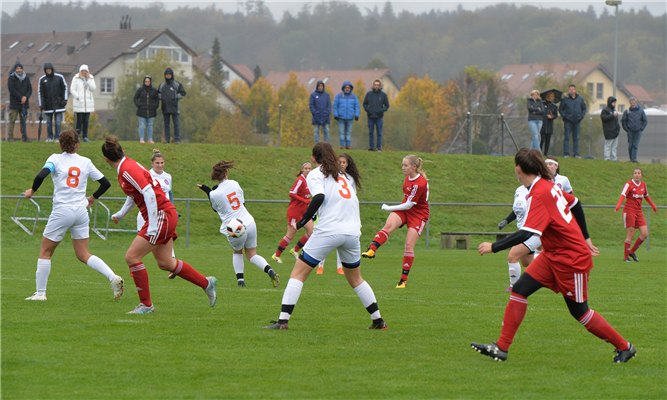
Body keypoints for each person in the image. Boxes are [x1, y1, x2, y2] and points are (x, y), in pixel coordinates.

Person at [472, 148, 636, 364]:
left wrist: (494, 246)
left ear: (518, 170)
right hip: (553, 255)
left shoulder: (540, 192)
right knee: (520, 290)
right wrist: (586, 236)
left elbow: (528, 233)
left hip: (572, 260)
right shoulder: (545, 186)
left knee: (580, 312)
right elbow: (575, 203)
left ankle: (625, 347)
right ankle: (501, 348)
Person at [263, 142, 386, 330]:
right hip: (352, 233)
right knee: (356, 279)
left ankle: (282, 321)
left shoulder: (315, 174)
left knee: (298, 274)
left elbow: (319, 197)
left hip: (329, 231)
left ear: (314, 158)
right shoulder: (343, 176)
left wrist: (302, 221)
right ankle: (378, 321)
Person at [102, 135, 216, 314]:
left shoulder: (126, 169)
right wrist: (121, 213)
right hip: (166, 214)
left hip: (162, 215)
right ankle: (206, 283)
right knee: (165, 262)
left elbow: (147, 192)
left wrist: (153, 224)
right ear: (122, 152)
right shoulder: (127, 166)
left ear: (105, 159)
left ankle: (146, 306)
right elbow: (137, 195)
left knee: (131, 257)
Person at [23, 130, 124, 301]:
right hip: (81, 211)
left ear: (61, 145)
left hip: (62, 210)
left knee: (45, 252)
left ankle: (40, 293)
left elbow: (42, 175)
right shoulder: (85, 162)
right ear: (77, 144)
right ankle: (112, 278)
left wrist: (32, 190)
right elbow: (105, 183)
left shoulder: (55, 158)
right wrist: (92, 198)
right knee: (83, 255)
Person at [197, 160, 280, 288]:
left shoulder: (214, 193)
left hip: (234, 226)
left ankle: (240, 281)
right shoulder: (235, 184)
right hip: (249, 221)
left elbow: (215, 209)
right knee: (252, 254)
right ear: (226, 172)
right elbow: (242, 202)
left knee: (237, 252)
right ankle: (269, 270)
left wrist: (208, 191)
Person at [497, 155, 574, 292]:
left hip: (536, 230)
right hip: (523, 231)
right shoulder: (519, 190)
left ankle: (514, 287)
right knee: (528, 263)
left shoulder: (543, 188)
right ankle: (558, 276)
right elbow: (517, 210)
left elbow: (571, 202)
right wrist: (506, 221)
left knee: (513, 255)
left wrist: (493, 247)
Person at [362, 155, 429, 289]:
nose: (402, 168)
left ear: (414, 167)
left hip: (418, 214)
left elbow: (410, 204)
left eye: (405, 165)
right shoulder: (408, 177)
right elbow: (407, 202)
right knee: (389, 225)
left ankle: (403, 280)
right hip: (406, 208)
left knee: (409, 245)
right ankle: (372, 249)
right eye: (402, 165)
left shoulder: (420, 183)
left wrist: (389, 208)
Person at [318, 153, 361, 275]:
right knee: (325, 237)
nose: (341, 164)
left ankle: (339, 267)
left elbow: (353, 197)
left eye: (344, 162)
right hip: (333, 212)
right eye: (339, 162)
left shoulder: (350, 179)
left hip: (345, 213)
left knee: (341, 240)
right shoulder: (332, 176)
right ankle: (320, 266)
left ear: (348, 164)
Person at [136, 149, 175, 260]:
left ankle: (171, 260)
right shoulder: (147, 175)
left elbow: (169, 193)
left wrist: (173, 208)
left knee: (168, 235)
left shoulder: (168, 176)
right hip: (150, 211)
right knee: (144, 237)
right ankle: (135, 259)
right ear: (152, 163)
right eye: (157, 163)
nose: (160, 165)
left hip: (165, 211)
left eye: (162, 162)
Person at [272, 162, 314, 265]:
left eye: (310, 168)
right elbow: (291, 193)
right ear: (302, 169)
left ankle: (295, 250)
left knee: (312, 231)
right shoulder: (300, 180)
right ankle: (276, 255)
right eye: (306, 168)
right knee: (290, 234)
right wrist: (304, 201)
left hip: (304, 212)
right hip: (294, 212)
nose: (308, 170)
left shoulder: (310, 181)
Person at [614, 168, 657, 262]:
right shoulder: (628, 184)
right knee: (631, 235)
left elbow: (646, 196)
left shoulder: (643, 185)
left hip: (639, 211)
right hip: (629, 211)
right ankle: (626, 257)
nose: (637, 175)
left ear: (641, 175)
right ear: (633, 175)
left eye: (639, 173)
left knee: (645, 233)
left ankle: (632, 251)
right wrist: (618, 206)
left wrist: (653, 206)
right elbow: (623, 195)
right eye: (635, 173)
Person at [38, 62, 68, 143]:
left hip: (59, 104)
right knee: (48, 122)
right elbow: (40, 92)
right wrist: (41, 104)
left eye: (49, 69)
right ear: (45, 70)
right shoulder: (42, 79)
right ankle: (50, 137)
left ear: (52, 69)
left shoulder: (59, 77)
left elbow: (64, 88)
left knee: (58, 122)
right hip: (48, 105)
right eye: (47, 70)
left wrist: (64, 99)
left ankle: (58, 137)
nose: (48, 71)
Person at [158, 68, 186, 144]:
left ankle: (177, 139)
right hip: (165, 107)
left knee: (176, 124)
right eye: (166, 75)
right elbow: (158, 94)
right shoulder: (162, 85)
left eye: (169, 74)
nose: (168, 76)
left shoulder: (177, 84)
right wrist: (163, 98)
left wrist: (175, 97)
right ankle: (167, 139)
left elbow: (183, 93)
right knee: (166, 125)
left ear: (172, 75)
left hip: (175, 108)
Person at [558, 84, 586, 158]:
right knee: (567, 137)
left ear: (575, 90)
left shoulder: (580, 99)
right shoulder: (565, 99)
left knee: (576, 138)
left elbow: (584, 108)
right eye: (570, 89)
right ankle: (566, 153)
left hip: (577, 120)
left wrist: (581, 116)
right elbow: (560, 109)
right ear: (568, 90)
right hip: (568, 121)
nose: (571, 90)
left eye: (573, 89)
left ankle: (576, 153)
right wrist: (564, 116)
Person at [70, 64, 96, 143]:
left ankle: (85, 136)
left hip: (88, 104)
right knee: (79, 120)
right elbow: (72, 89)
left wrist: (87, 81)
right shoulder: (76, 78)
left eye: (85, 71)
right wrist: (78, 97)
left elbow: (93, 88)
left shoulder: (91, 78)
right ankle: (77, 137)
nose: (84, 72)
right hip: (79, 103)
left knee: (86, 121)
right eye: (82, 71)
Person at [7, 62, 32, 142]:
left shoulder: (26, 78)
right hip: (14, 103)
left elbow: (30, 89)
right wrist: (20, 97)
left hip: (24, 104)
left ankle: (24, 137)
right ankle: (11, 137)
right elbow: (12, 89)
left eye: (20, 68)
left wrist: (25, 97)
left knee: (23, 121)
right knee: (12, 120)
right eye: (17, 68)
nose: (19, 70)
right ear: (15, 70)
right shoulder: (11, 78)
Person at [363, 79, 390, 152]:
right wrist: (368, 110)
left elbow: (387, 105)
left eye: (378, 85)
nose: (376, 86)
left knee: (379, 133)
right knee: (371, 132)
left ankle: (378, 147)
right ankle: (371, 147)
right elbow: (364, 103)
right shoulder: (369, 94)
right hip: (370, 117)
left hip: (379, 117)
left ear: (380, 85)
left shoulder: (383, 95)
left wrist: (381, 110)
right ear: (373, 85)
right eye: (375, 85)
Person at [333, 81, 359, 150]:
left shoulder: (354, 96)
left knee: (348, 132)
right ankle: (342, 145)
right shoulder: (338, 96)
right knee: (341, 132)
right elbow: (335, 106)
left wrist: (356, 115)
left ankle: (348, 145)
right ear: (343, 88)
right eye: (346, 87)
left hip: (350, 117)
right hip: (340, 117)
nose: (347, 89)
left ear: (351, 88)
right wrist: (335, 115)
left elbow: (357, 106)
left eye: (348, 87)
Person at [621, 97, 648, 163]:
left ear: (636, 103)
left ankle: (634, 158)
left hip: (638, 131)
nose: (632, 104)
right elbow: (623, 120)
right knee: (630, 145)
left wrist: (641, 128)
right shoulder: (627, 111)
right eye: (631, 103)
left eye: (633, 102)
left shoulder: (641, 111)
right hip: (630, 131)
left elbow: (645, 120)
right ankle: (631, 158)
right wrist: (626, 129)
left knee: (635, 145)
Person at [134, 75, 159, 144]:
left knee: (150, 125)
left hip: (151, 111)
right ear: (144, 82)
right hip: (141, 111)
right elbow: (135, 98)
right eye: (146, 81)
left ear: (150, 82)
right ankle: (141, 138)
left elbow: (157, 99)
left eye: (148, 81)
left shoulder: (154, 90)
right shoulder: (140, 90)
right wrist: (138, 105)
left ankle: (150, 139)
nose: (147, 83)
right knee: (142, 125)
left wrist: (155, 106)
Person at [601, 96, 621, 162]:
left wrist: (618, 128)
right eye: (613, 102)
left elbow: (616, 121)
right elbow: (604, 118)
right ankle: (607, 158)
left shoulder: (614, 110)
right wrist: (612, 115)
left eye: (615, 102)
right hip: (609, 131)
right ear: (610, 102)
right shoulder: (605, 110)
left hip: (615, 131)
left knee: (614, 146)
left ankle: (614, 158)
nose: (614, 104)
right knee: (608, 145)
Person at [540, 91, 558, 155]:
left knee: (548, 141)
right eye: (549, 96)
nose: (550, 97)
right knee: (542, 140)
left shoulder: (554, 106)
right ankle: (539, 153)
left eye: (552, 96)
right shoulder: (543, 104)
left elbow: (556, 115)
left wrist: (552, 117)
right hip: (542, 124)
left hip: (549, 125)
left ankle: (545, 153)